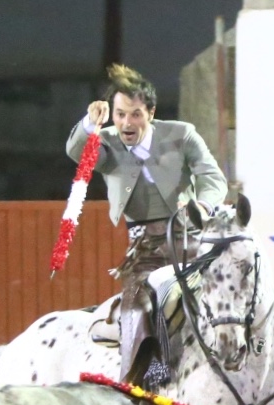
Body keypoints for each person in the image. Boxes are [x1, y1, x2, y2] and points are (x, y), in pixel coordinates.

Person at [66, 63, 228, 386]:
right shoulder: (107, 141)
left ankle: (270, 364)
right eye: (120, 114)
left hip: (191, 236)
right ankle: (145, 376)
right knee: (137, 305)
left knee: (237, 284)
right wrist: (89, 123)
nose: (127, 123)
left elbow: (214, 179)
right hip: (144, 248)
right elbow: (75, 152)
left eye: (136, 114)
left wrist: (203, 205)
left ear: (151, 112)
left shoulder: (181, 134)